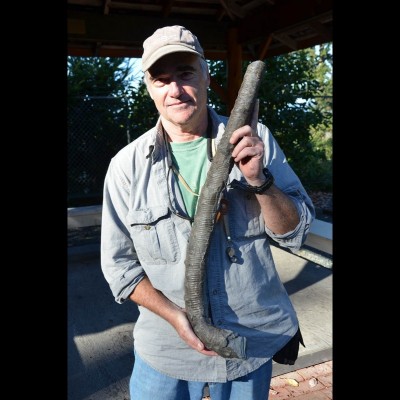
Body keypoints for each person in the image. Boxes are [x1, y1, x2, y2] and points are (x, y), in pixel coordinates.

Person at [100, 25, 315, 400]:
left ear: (205, 75)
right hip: (165, 352)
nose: (175, 90)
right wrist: (177, 316)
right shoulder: (126, 167)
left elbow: (294, 233)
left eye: (185, 74)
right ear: (149, 88)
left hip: (249, 344)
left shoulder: (255, 139)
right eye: (162, 79)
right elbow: (119, 267)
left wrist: (259, 180)